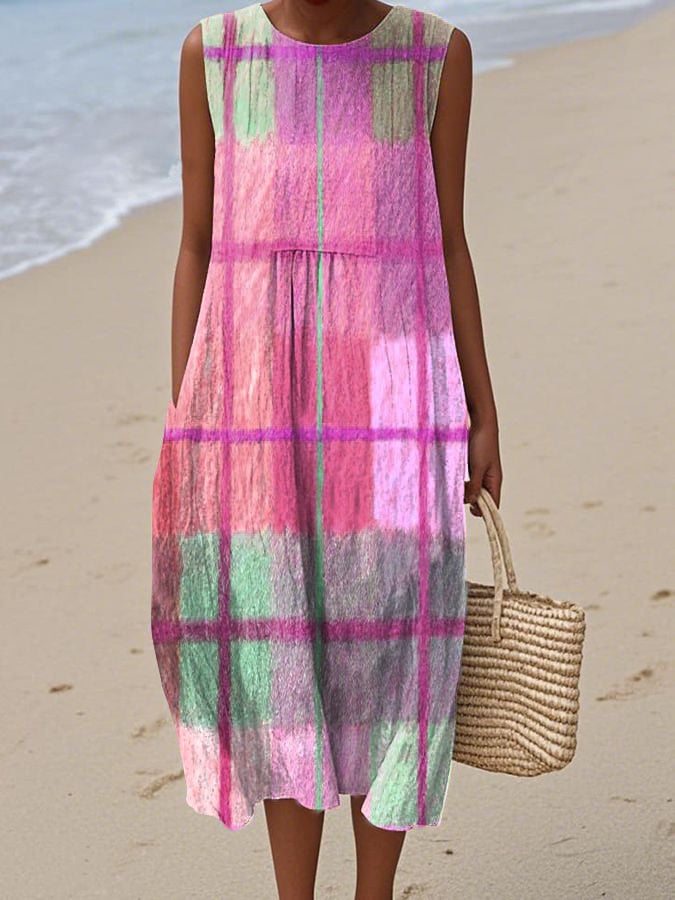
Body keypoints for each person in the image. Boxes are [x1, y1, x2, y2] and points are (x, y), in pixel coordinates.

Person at [151, 2, 502, 898]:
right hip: (256, 402)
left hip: (396, 392)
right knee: (281, 654)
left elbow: (448, 243)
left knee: (392, 644)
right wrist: (191, 409)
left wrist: (482, 410)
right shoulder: (215, 54)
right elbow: (196, 244)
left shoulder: (432, 56)